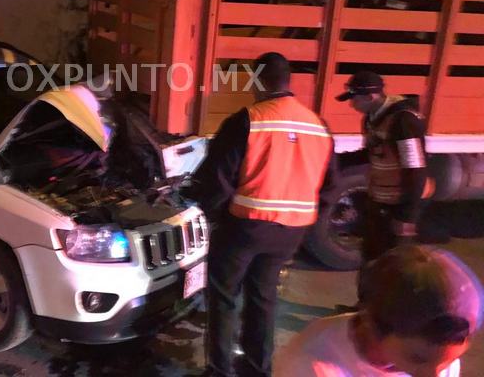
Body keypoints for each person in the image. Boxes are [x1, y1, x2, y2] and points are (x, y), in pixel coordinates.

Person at [181, 52, 337, 377]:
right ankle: (257, 368)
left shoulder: (248, 120)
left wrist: (207, 211)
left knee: (224, 297)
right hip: (291, 232)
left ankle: (220, 370)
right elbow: (330, 186)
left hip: (244, 228)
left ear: (257, 81)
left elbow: (217, 180)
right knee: (263, 298)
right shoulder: (318, 125)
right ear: (288, 81)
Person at [276, 245, 484, 376]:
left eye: (448, 361)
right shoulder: (310, 366)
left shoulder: (433, 355)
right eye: (417, 359)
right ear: (371, 325)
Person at [336, 71, 434, 264]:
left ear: (370, 97)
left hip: (398, 207)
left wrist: (406, 217)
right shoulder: (372, 118)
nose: (351, 104)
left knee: (393, 266)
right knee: (372, 259)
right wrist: (334, 160)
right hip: (379, 203)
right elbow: (371, 153)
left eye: (354, 99)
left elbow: (415, 169)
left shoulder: (403, 122)